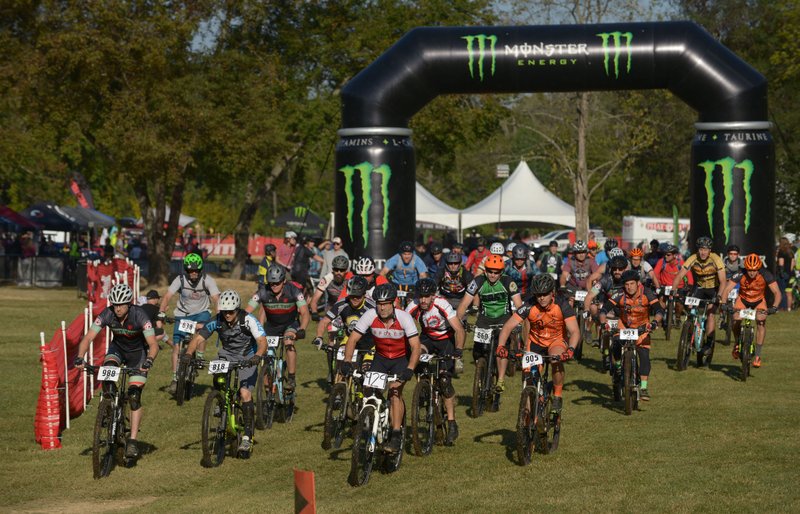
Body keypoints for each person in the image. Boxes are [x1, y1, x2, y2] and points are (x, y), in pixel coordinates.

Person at [74, 284, 159, 459]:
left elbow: (153, 344)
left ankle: (133, 441)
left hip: (138, 355)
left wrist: (149, 361)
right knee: (107, 376)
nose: (118, 308)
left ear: (129, 303)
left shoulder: (140, 316)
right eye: (115, 304)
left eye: (121, 304)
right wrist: (80, 357)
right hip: (117, 350)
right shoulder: (108, 313)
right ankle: (108, 408)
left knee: (134, 396)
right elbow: (89, 336)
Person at [182, 290, 267, 453]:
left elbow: (262, 341)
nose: (227, 314)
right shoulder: (217, 320)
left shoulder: (248, 320)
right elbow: (199, 338)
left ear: (237, 309)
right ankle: (220, 400)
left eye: (231, 311)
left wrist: (256, 356)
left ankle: (248, 436)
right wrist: (187, 354)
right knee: (218, 376)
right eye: (224, 311)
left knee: (244, 394)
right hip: (227, 354)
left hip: (247, 356)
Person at [342, 283, 422, 454]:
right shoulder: (370, 315)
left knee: (394, 393)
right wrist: (347, 361)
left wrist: (410, 368)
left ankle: (396, 433)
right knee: (368, 390)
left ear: (393, 303)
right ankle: (373, 418)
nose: (382, 307)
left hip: (401, 360)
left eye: (386, 303)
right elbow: (353, 339)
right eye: (379, 303)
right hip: (380, 358)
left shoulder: (404, 318)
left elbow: (416, 347)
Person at [496, 274, 579, 414]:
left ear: (552, 292)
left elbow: (575, 331)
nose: (541, 298)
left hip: (556, 341)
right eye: (538, 295)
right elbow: (508, 327)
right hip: (535, 342)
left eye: (545, 294)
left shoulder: (562, 305)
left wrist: (570, 349)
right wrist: (501, 346)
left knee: (555, 359)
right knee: (528, 378)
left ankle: (557, 395)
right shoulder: (529, 305)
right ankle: (527, 416)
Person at [406, 278, 466, 445]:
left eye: (427, 296)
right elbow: (402, 324)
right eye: (421, 296)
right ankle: (424, 389)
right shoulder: (414, 305)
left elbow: (459, 330)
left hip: (446, 341)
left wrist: (458, 352)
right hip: (426, 339)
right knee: (416, 357)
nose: (423, 300)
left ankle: (452, 422)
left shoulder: (442, 304)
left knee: (445, 381)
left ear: (433, 296)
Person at [456, 254, 522, 395]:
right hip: (485, 319)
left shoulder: (508, 282)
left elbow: (519, 305)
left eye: (496, 272)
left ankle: (501, 380)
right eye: (490, 271)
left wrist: (517, 323)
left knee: (501, 349)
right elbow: (463, 304)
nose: (492, 275)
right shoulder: (478, 281)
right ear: (485, 271)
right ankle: (483, 369)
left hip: (503, 319)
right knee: (477, 353)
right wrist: (459, 321)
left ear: (501, 272)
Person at [158, 253, 220, 391]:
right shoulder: (179, 280)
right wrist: (161, 313)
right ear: (185, 270)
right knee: (176, 347)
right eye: (190, 270)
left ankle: (199, 357)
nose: (193, 273)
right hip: (183, 314)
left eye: (196, 270)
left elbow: (216, 298)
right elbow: (168, 296)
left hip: (201, 313)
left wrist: (219, 314)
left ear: (200, 270)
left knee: (202, 331)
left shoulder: (207, 280)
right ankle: (175, 379)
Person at [245, 265, 310, 393]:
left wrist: (302, 329)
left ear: (284, 281)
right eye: (271, 283)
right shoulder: (263, 291)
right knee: (264, 354)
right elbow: (247, 311)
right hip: (271, 326)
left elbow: (305, 313)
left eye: (277, 283)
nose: (274, 285)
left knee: (288, 343)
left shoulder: (294, 291)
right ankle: (267, 392)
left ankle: (291, 378)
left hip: (290, 324)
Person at [602, 270, 663, 401]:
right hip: (623, 326)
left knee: (644, 356)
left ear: (638, 283)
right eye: (627, 284)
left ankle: (644, 387)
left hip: (642, 327)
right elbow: (604, 310)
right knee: (616, 343)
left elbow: (659, 310)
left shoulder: (647, 293)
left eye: (632, 284)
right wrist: (604, 323)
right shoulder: (619, 294)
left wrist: (654, 322)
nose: (629, 287)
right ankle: (618, 366)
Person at [671, 236, 726, 360]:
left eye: (705, 250)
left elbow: (723, 281)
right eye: (701, 249)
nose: (703, 252)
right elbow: (680, 275)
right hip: (700, 287)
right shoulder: (693, 258)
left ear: (709, 250)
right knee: (690, 307)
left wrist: (718, 296)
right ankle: (689, 331)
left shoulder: (716, 259)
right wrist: (673, 291)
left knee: (711, 313)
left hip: (714, 289)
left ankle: (709, 342)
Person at [722, 254, 781, 368]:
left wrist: (774, 307)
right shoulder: (740, 273)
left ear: (758, 268)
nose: (752, 273)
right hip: (743, 300)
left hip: (758, 300)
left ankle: (758, 355)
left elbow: (777, 293)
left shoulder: (766, 274)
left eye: (754, 270)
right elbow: (727, 289)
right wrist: (724, 304)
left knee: (761, 320)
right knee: (736, 318)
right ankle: (737, 342)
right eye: (749, 270)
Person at [313, 276, 376, 379]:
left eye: (358, 296)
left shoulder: (372, 308)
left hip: (369, 343)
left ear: (364, 294)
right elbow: (324, 321)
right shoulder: (342, 304)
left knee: (366, 374)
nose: (354, 299)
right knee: (341, 367)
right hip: (349, 339)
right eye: (352, 296)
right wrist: (319, 337)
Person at [776, 237, 794, 311]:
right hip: (790, 274)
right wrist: (789, 273)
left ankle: (782, 307)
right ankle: (788, 307)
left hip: (783, 274)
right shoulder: (791, 252)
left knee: (781, 291)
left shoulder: (781, 252)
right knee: (788, 292)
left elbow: (781, 263)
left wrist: (781, 273)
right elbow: (792, 264)